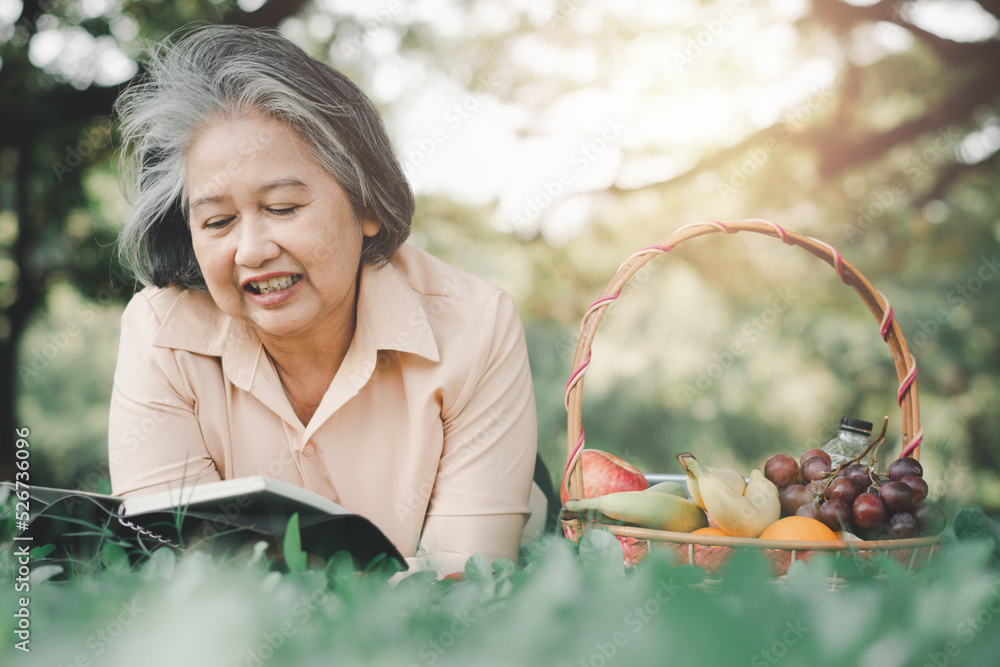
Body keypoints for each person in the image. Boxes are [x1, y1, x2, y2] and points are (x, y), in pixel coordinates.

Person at [108, 24, 541, 578]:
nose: (252, 250)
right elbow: (174, 570)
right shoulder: (159, 332)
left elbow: (465, 584)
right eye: (218, 221)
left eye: (284, 208)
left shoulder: (476, 326)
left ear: (368, 205)